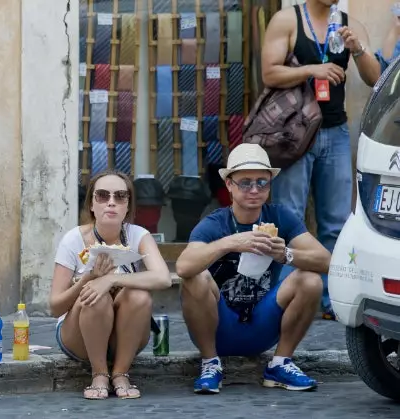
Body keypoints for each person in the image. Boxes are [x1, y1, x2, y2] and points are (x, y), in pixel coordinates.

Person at [176, 144, 331, 394]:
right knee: (196, 277)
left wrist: (285, 254)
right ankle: (210, 363)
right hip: (217, 327)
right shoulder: (214, 223)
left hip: (262, 324)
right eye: (245, 182)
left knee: (310, 279)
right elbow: (183, 267)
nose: (255, 190)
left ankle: (280, 363)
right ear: (229, 185)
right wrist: (232, 242)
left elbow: (326, 261)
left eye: (262, 182)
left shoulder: (280, 217)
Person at [261, 0, 380, 320]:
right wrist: (312, 69)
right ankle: (287, 296)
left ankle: (331, 297)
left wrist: (357, 49)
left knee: (336, 223)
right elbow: (269, 73)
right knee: (290, 219)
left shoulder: (347, 23)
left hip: (335, 133)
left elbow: (375, 78)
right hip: (294, 134)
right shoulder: (287, 20)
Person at [49, 169, 171, 400]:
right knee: (96, 296)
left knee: (139, 295)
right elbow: (55, 307)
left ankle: (121, 372)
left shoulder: (138, 236)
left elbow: (163, 278)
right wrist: (89, 279)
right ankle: (99, 373)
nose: (111, 203)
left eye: (120, 197)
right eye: (103, 196)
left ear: (128, 206)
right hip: (80, 336)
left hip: (126, 336)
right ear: (92, 205)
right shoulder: (73, 240)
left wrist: (111, 279)